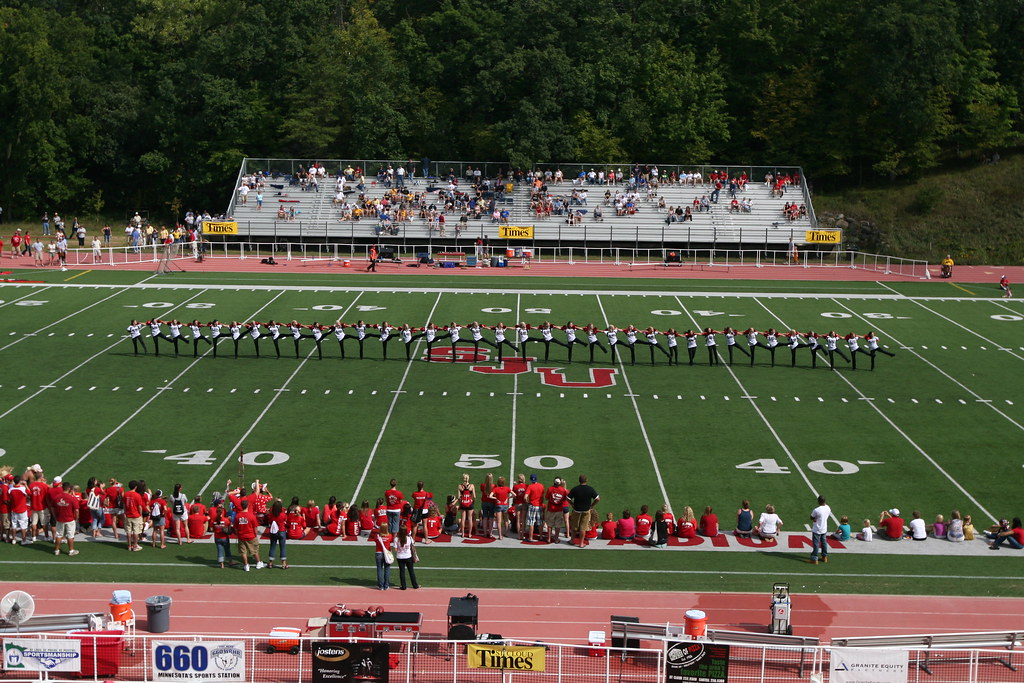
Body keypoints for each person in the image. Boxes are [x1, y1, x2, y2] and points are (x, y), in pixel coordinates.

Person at [567, 475, 599, 548]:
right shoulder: (590, 489)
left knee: (574, 526)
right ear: (586, 480)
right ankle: (581, 543)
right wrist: (592, 505)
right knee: (583, 528)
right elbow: (597, 499)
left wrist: (572, 504)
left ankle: (572, 541)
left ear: (579, 480)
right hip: (586, 511)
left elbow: (568, 498)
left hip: (576, 510)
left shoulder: (575, 489)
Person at [52, 481, 80, 557]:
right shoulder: (72, 498)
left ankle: (56, 550)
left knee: (58, 535)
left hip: (59, 519)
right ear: (70, 489)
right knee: (70, 535)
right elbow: (77, 510)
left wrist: (55, 516)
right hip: (70, 519)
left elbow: (53, 508)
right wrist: (76, 518)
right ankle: (71, 550)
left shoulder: (56, 497)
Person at [234, 499, 263, 571]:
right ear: (248, 506)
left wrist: (238, 534)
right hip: (251, 536)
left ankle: (246, 565)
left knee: (243, 552)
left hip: (241, 536)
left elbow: (235, 528)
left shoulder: (238, 516)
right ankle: (258, 562)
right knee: (255, 550)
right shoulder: (251, 516)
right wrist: (255, 535)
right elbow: (255, 528)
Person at [544, 477, 569, 543]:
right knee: (558, 525)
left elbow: (546, 498)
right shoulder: (563, 490)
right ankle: (556, 539)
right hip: (559, 510)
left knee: (549, 525)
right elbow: (565, 499)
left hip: (551, 509)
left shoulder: (550, 489)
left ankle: (549, 538)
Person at [210, 499, 233, 567]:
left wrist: (217, 528)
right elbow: (229, 526)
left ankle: (221, 564)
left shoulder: (213, 520)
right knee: (227, 550)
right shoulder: (225, 520)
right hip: (224, 537)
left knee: (220, 550)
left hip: (217, 537)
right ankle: (230, 561)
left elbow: (211, 529)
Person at [266, 500, 288, 569]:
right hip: (281, 531)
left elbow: (269, 520)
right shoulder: (283, 514)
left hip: (273, 532)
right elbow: (285, 520)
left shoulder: (271, 515)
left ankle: (270, 563)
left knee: (272, 546)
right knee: (282, 547)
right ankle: (284, 564)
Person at [523, 474, 545, 542]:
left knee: (531, 522)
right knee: (540, 522)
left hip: (532, 505)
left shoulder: (530, 486)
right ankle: (541, 536)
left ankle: (530, 537)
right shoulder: (541, 486)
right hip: (539, 505)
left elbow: (525, 497)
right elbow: (543, 496)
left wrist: (527, 502)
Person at [371, 522, 393, 589]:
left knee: (379, 569)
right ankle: (386, 585)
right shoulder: (390, 536)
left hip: (379, 553)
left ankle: (380, 586)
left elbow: (375, 541)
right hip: (387, 553)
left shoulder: (377, 536)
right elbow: (390, 542)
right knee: (387, 569)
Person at [809, 495, 831, 564]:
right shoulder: (828, 508)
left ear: (818, 501)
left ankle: (814, 559)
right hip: (824, 528)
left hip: (817, 529)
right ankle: (824, 557)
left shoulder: (817, 510)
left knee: (816, 544)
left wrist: (815, 519)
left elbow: (811, 517)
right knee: (824, 542)